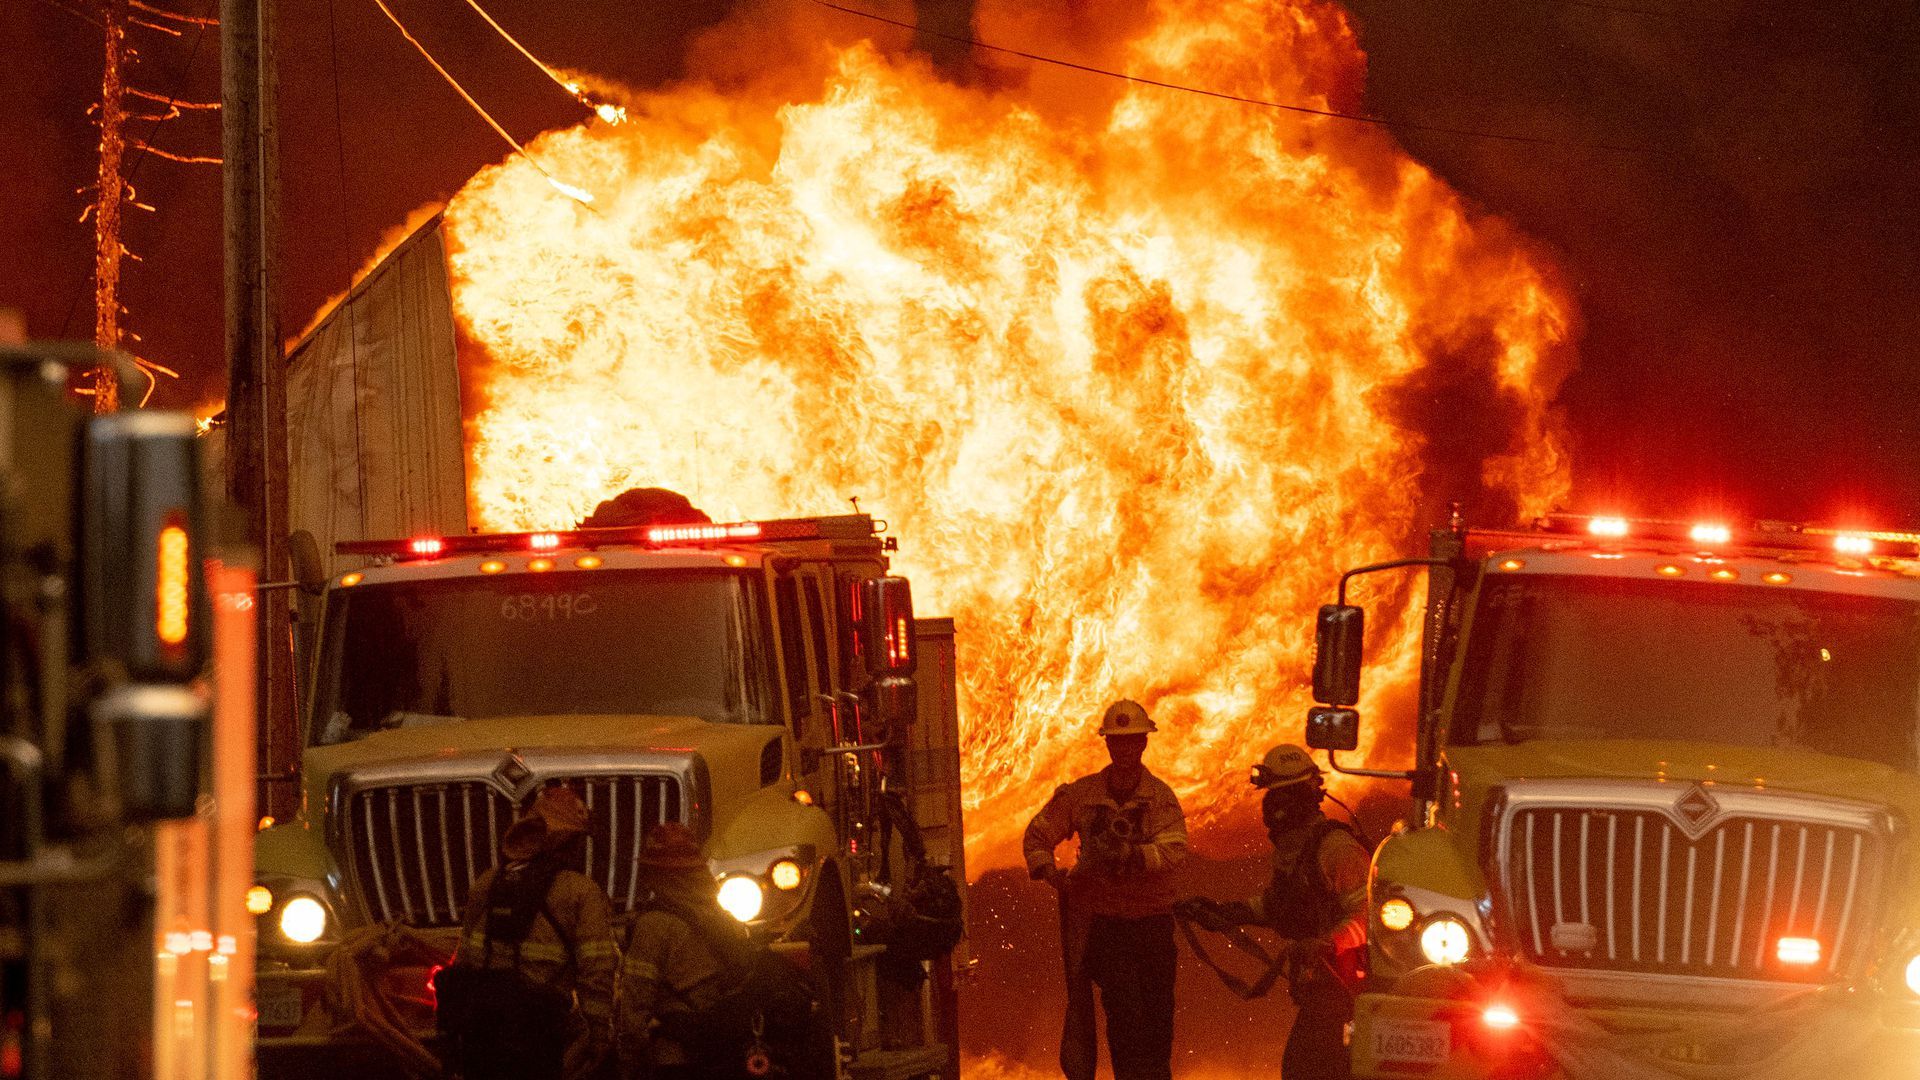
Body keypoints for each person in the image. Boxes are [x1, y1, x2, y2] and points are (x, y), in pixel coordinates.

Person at [1179, 744, 1370, 1080]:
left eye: (1279, 796)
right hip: (1319, 987)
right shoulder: (1294, 851)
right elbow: (1282, 904)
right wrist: (1228, 913)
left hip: (1349, 991)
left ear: (1301, 798)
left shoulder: (1335, 848)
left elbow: (1367, 913)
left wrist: (1328, 944)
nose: (1271, 807)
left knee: (1306, 1070)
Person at [1023, 699, 1190, 1080]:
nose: (1125, 748)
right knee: (1126, 1015)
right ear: (1108, 745)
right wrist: (1050, 873)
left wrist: (1135, 855)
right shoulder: (1082, 795)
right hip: (1105, 929)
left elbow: (1176, 849)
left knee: (1157, 1024)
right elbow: (1037, 835)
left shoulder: (1161, 798)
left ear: (1144, 744)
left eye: (1132, 741)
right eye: (1118, 742)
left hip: (1152, 927)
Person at [441, 785, 618, 1080]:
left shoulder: (487, 883)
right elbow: (597, 970)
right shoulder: (581, 892)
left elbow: (464, 962)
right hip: (538, 1033)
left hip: (480, 1030)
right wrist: (599, 1035)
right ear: (569, 841)